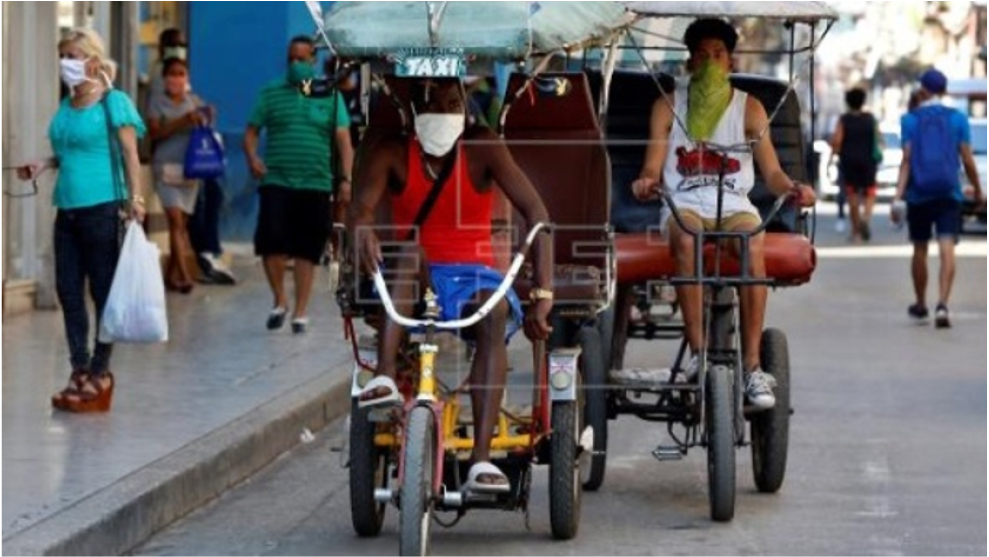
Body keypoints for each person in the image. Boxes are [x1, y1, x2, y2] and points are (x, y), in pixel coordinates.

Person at [349, 78, 554, 493]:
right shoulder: (393, 151)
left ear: (465, 106)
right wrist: (362, 230)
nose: (443, 112)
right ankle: (386, 376)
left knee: (494, 315)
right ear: (414, 111)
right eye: (433, 103)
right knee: (408, 252)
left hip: (476, 276)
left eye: (452, 103)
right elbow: (362, 208)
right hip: (416, 275)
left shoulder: (483, 146)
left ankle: (481, 458)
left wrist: (544, 293)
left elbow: (537, 212)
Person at [630, 18, 816, 410]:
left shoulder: (750, 107)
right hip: (683, 204)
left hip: (735, 207)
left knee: (752, 239)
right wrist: (646, 181)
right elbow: (652, 166)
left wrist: (795, 189)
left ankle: (751, 366)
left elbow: (773, 173)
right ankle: (698, 354)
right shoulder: (667, 106)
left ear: (731, 61)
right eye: (702, 56)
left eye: (718, 55)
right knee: (686, 237)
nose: (711, 63)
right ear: (690, 63)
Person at [17, 28, 146, 412]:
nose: (65, 63)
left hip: (104, 207)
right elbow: (68, 152)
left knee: (103, 293)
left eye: (72, 55)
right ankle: (79, 369)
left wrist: (135, 199)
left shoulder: (113, 102)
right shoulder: (67, 104)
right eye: (62, 55)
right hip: (67, 209)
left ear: (91, 59)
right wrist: (43, 164)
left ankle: (101, 372)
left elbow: (130, 155)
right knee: (68, 292)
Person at [244, 36, 355, 333]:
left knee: (308, 249)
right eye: (291, 58)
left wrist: (347, 179)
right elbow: (251, 131)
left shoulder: (329, 95)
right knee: (271, 242)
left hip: (316, 182)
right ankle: (279, 299)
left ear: (313, 61)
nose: (295, 64)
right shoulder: (270, 93)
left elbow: (344, 140)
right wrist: (252, 157)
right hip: (277, 178)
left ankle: (300, 311)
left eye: (301, 59)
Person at [892, 68, 983, 329]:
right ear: (943, 91)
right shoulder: (958, 119)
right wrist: (977, 190)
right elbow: (966, 159)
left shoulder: (909, 119)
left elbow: (907, 161)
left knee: (919, 248)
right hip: (948, 193)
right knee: (947, 249)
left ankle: (920, 304)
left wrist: (898, 197)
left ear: (922, 89)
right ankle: (943, 304)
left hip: (919, 194)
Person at [147, 57, 209, 293]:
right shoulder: (156, 103)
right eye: (172, 73)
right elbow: (154, 133)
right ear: (165, 78)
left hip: (190, 170)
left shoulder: (194, 101)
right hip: (165, 168)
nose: (176, 78)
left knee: (181, 225)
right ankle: (184, 276)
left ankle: (172, 275)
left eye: (181, 73)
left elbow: (206, 127)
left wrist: (205, 116)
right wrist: (182, 120)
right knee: (174, 220)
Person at [829, 88, 881, 243]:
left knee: (852, 197)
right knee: (870, 193)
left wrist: (831, 158)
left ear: (848, 102)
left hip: (849, 162)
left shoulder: (844, 119)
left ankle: (856, 232)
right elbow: (878, 139)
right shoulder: (871, 118)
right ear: (863, 101)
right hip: (868, 162)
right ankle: (865, 218)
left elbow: (837, 141)